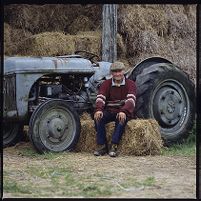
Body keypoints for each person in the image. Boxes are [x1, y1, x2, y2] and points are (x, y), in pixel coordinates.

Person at [93, 61, 137, 157]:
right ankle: (102, 146)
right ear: (111, 73)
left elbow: (131, 100)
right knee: (98, 117)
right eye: (115, 72)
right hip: (110, 111)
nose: (117, 74)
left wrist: (123, 111)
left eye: (119, 71)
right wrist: (99, 109)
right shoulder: (106, 83)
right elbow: (100, 97)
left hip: (123, 111)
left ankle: (114, 145)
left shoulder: (130, 84)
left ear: (123, 72)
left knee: (121, 119)